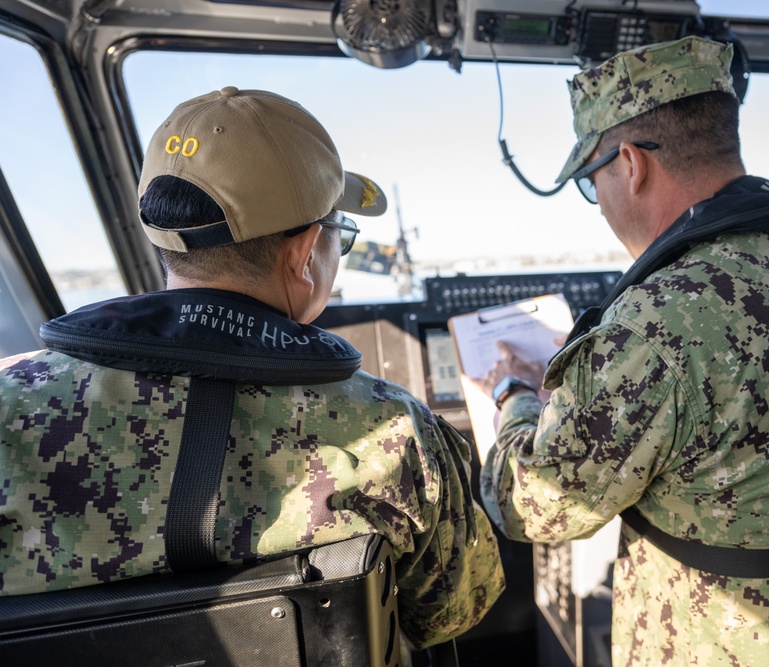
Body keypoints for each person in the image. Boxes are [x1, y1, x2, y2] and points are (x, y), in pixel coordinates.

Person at [0, 86, 504, 650]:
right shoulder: (398, 432)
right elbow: (454, 611)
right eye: (341, 235)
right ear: (303, 253)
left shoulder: (8, 404)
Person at [479, 37, 769, 665]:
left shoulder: (661, 320)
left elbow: (529, 504)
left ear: (630, 164)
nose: (599, 201)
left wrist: (514, 397)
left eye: (591, 181)